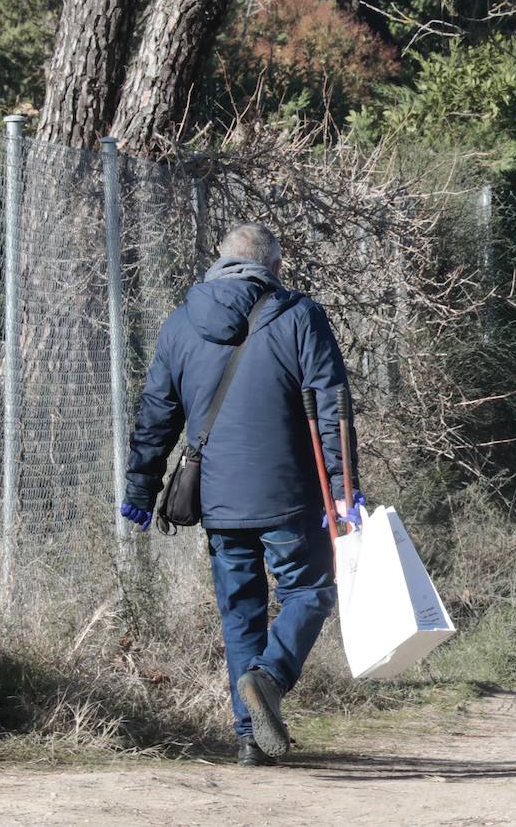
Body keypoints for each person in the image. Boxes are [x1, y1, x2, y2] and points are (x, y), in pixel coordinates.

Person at [118, 223, 360, 766]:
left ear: (218, 263)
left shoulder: (180, 323)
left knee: (240, 613)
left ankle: (251, 739)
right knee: (312, 590)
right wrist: (343, 489)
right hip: (290, 495)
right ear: (275, 265)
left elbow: (157, 414)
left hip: (219, 501)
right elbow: (330, 406)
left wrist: (141, 484)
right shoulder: (301, 316)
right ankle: (269, 677)